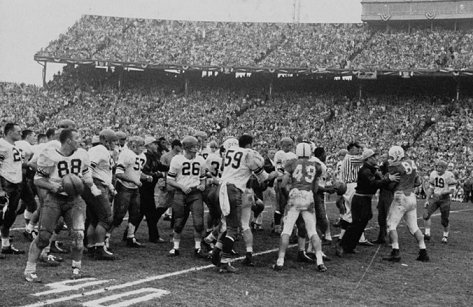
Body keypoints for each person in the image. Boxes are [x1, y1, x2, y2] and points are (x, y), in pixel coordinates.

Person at [24, 128, 102, 282]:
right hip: (54, 198)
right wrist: (54, 186)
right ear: (68, 140)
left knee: (78, 236)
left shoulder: (82, 154)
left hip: (75, 199)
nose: (80, 140)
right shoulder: (49, 154)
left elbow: (86, 173)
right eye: (77, 137)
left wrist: (90, 186)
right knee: (44, 237)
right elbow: (38, 180)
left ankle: (76, 270)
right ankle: (29, 270)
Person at [213, 134, 277, 273]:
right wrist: (276, 173)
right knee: (233, 228)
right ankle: (224, 261)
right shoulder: (249, 153)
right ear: (249, 144)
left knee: (227, 224)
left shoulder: (230, 151)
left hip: (222, 187)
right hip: (234, 190)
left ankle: (216, 251)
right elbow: (263, 178)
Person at [273, 143, 327, 272]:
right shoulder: (316, 165)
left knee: (286, 230)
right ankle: (320, 262)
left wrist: (290, 188)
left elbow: (283, 184)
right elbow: (314, 188)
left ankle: (280, 261)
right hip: (308, 196)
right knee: (312, 231)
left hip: (295, 195)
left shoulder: (291, 162)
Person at [336, 149, 399, 257]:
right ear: (369, 159)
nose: (376, 158)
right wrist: (388, 179)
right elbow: (373, 183)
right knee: (356, 223)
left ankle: (350, 246)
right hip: (360, 199)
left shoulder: (370, 169)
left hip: (364, 199)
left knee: (363, 221)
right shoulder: (365, 171)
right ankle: (342, 245)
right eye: (374, 157)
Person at [382, 146, 429, 262]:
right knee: (414, 227)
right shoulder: (412, 163)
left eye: (391, 156)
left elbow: (390, 183)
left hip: (400, 196)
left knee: (391, 225)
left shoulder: (394, 166)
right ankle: (423, 251)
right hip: (412, 197)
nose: (390, 158)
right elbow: (417, 182)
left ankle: (395, 252)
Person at [167, 136, 207, 257]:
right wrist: (181, 186)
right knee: (178, 222)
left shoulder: (200, 160)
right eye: (194, 146)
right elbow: (169, 180)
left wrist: (203, 185)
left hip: (195, 193)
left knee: (199, 222)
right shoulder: (177, 159)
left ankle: (198, 248)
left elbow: (203, 177)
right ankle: (175, 247)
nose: (197, 148)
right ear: (187, 148)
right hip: (181, 193)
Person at [82, 129, 118, 260]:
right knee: (106, 218)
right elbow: (88, 169)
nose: (115, 143)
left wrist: (110, 186)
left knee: (94, 219)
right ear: (104, 139)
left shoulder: (99, 150)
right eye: (113, 140)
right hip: (95, 185)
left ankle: (91, 247)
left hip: (96, 184)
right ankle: (99, 249)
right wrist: (92, 186)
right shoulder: (100, 150)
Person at [109, 136, 147, 248]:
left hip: (134, 188)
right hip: (124, 187)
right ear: (133, 145)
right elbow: (119, 173)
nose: (143, 148)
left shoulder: (142, 156)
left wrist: (145, 177)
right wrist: (135, 180)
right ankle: (106, 237)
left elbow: (136, 172)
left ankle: (130, 237)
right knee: (119, 215)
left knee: (136, 214)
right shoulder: (126, 154)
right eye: (140, 145)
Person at [136, 136, 169, 243]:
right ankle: (154, 236)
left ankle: (128, 234)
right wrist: (157, 174)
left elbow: (161, 166)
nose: (157, 145)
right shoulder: (146, 157)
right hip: (144, 188)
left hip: (148, 189)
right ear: (149, 145)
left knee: (140, 214)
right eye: (155, 143)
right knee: (150, 214)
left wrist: (174, 167)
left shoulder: (153, 156)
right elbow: (145, 172)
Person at [0, 123, 24, 257]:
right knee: (2, 214)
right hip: (6, 182)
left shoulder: (13, 146)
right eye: (18, 131)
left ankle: (5, 245)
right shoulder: (2, 145)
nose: (20, 134)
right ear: (9, 132)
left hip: (16, 182)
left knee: (10, 215)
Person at [423, 160, 456, 243]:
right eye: (437, 167)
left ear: (445, 168)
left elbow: (452, 190)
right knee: (426, 215)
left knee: (444, 220)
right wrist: (427, 199)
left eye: (440, 167)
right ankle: (427, 234)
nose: (438, 169)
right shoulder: (433, 174)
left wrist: (443, 193)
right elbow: (431, 188)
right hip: (435, 198)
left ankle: (445, 236)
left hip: (445, 199)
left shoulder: (449, 175)